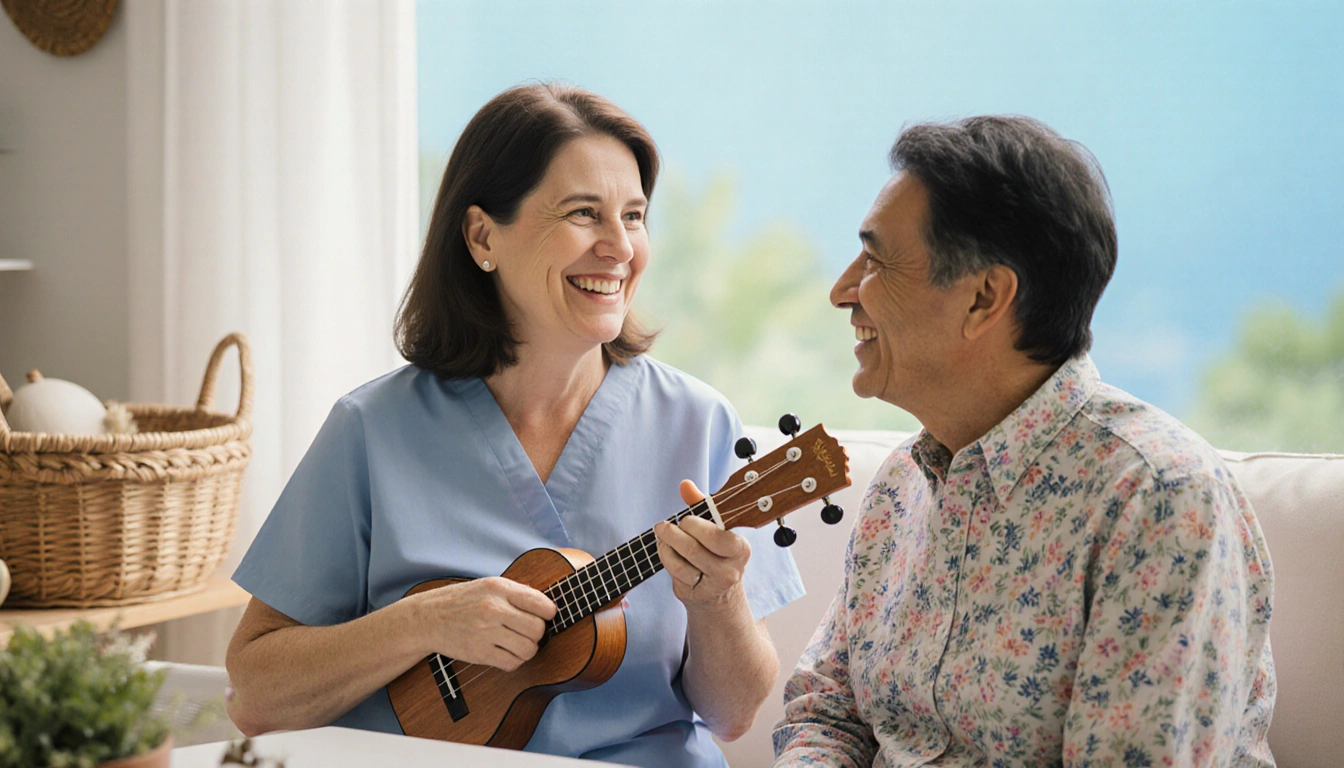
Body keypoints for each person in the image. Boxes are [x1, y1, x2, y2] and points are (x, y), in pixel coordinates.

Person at [224, 83, 803, 768]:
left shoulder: (698, 422)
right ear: (481, 236)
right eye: (584, 214)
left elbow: (734, 715)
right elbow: (255, 692)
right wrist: (421, 623)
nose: (620, 247)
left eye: (635, 216)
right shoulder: (371, 431)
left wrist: (719, 602)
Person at [773, 116, 1275, 766]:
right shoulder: (902, 484)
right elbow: (825, 714)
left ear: (984, 298)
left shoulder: (1161, 499)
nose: (843, 291)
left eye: (875, 260)